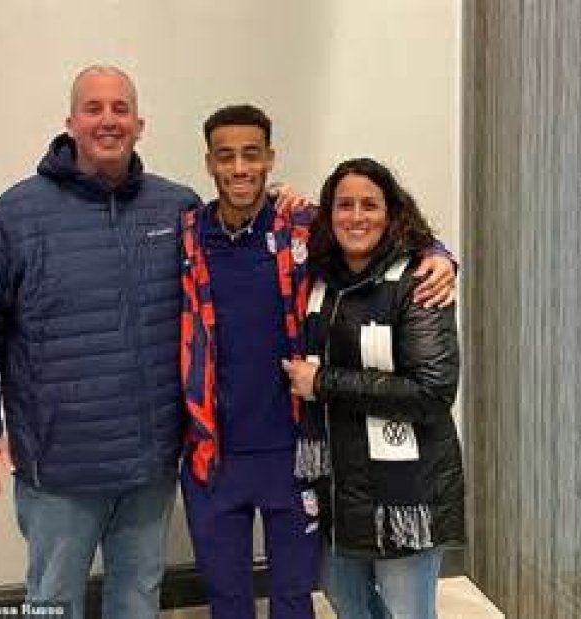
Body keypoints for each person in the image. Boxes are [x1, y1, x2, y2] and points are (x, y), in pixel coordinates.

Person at [0, 65, 202, 619]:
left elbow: (241, 257)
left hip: (151, 462)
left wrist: (289, 208)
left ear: (140, 124)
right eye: (94, 108)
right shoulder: (16, 215)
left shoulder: (177, 209)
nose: (108, 120)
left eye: (120, 109)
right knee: (54, 600)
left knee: (139, 595)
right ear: (71, 122)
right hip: (59, 468)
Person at [179, 108, 457, 619]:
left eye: (251, 154)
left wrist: (441, 254)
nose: (239, 168)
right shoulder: (187, 235)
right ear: (209, 162)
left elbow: (385, 231)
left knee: (295, 598)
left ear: (270, 158)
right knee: (228, 600)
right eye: (226, 156)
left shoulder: (305, 228)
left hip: (295, 452)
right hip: (213, 451)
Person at [283, 157, 464, 619]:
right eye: (344, 205)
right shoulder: (321, 277)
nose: (356, 216)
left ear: (391, 213)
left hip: (406, 490)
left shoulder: (420, 279)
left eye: (370, 205)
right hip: (340, 487)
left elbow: (432, 391)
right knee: (346, 600)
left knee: (407, 611)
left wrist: (322, 382)